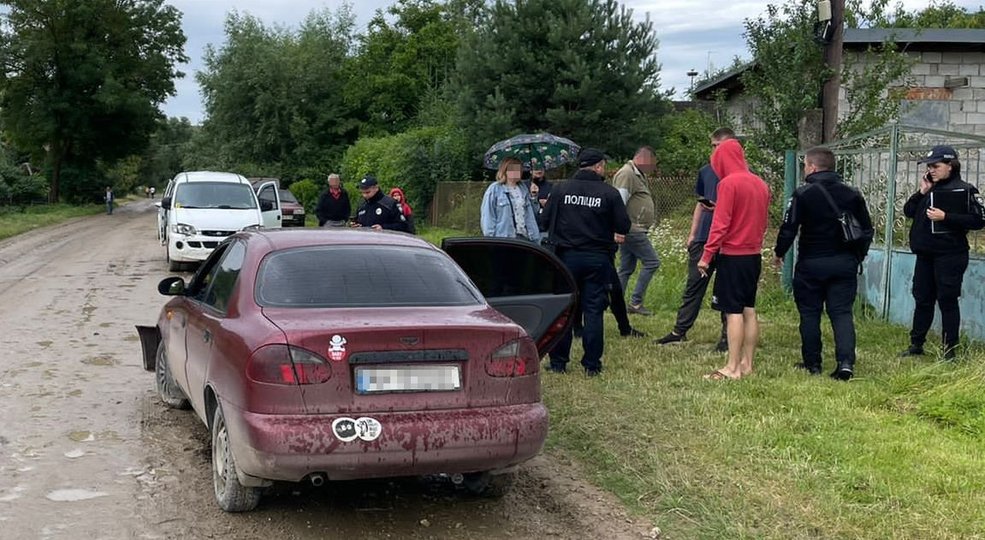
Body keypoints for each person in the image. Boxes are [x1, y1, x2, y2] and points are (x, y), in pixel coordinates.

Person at [773, 147, 873, 380]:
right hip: (844, 262)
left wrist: (779, 253)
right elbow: (866, 229)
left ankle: (812, 363)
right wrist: (857, 256)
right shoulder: (852, 194)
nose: (805, 169)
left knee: (809, 313)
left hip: (812, 263)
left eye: (806, 165)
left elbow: (789, 228)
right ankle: (845, 363)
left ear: (813, 167)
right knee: (841, 313)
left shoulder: (802, 194)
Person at [540, 148, 631, 376]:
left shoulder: (560, 189)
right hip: (597, 258)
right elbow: (623, 226)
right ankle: (592, 365)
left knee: (564, 310)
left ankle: (559, 362)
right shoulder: (609, 193)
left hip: (565, 258)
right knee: (593, 310)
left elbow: (544, 221)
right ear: (598, 166)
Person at [900, 145, 985, 359]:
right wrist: (921, 192)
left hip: (950, 255)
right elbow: (908, 211)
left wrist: (946, 217)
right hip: (925, 255)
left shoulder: (965, 190)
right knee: (922, 299)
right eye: (929, 167)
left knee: (947, 300)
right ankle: (916, 344)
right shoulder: (930, 189)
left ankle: (949, 351)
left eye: (936, 166)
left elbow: (978, 220)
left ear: (950, 166)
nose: (932, 170)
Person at [697, 139, 770, 380]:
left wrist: (706, 257)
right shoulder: (760, 184)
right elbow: (764, 223)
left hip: (733, 256)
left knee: (733, 312)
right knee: (749, 309)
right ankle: (747, 364)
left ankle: (732, 367)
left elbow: (720, 224)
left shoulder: (728, 184)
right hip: (753, 255)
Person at [656, 128, 735, 350]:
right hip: (703, 238)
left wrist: (718, 208)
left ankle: (727, 336)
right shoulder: (706, 171)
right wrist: (692, 234)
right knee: (694, 285)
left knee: (726, 289)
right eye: (712, 146)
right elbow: (700, 204)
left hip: (729, 240)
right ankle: (679, 330)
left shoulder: (739, 174)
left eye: (717, 146)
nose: (714, 151)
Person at [612, 146, 659, 316]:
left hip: (632, 228)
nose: (652, 167)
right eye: (652, 163)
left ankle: (615, 301)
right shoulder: (627, 174)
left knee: (626, 267)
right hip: (632, 229)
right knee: (652, 262)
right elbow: (619, 202)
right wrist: (619, 229)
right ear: (642, 158)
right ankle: (636, 302)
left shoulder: (637, 173)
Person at [480, 157, 542, 243]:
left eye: (519, 169)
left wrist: (533, 196)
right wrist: (491, 240)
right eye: (513, 169)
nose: (517, 172)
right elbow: (488, 217)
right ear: (505, 170)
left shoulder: (523, 188)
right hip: (504, 239)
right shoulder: (494, 189)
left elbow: (534, 213)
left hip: (526, 238)